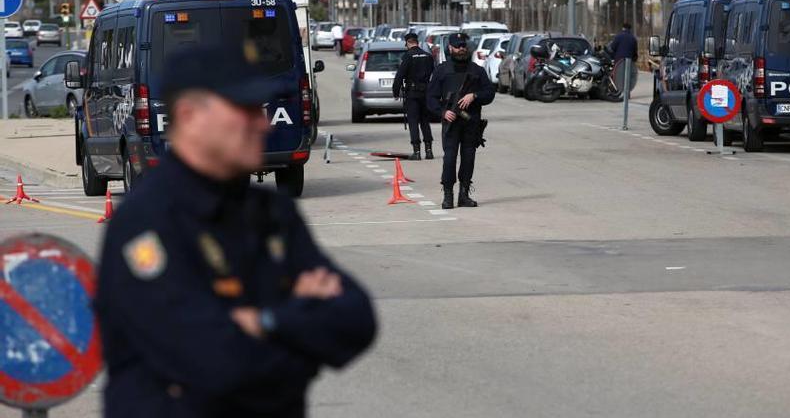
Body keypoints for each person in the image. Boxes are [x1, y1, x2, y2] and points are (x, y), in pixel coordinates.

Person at [94, 44, 376, 418]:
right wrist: (302, 336)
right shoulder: (147, 223)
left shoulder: (270, 212)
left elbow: (356, 319)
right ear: (190, 115)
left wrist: (264, 322)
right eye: (244, 109)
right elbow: (218, 365)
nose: (264, 122)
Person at [427, 32, 495, 209]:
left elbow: (489, 93)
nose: (461, 49)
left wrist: (474, 95)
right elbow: (431, 98)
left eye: (463, 46)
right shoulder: (442, 71)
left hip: (471, 122)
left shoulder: (476, 70)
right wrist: (443, 112)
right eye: (458, 46)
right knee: (449, 158)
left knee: (468, 158)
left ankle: (463, 195)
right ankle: (448, 195)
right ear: (450, 48)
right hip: (451, 123)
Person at [392, 32, 435, 160]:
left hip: (412, 93)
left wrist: (395, 91)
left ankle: (416, 152)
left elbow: (400, 75)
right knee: (425, 121)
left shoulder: (408, 56)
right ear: (417, 42)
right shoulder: (428, 56)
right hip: (426, 92)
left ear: (408, 43)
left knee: (413, 122)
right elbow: (434, 74)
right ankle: (429, 151)